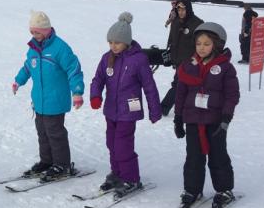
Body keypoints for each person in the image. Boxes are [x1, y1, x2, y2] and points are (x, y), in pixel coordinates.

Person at [90, 12, 162, 196]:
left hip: (128, 112)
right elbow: (98, 79)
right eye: (110, 42)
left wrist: (155, 110)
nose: (113, 46)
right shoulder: (107, 58)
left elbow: (149, 86)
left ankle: (131, 178)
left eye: (117, 42)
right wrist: (95, 95)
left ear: (126, 42)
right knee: (111, 143)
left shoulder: (138, 60)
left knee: (123, 146)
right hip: (111, 111)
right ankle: (117, 173)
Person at [173, 22, 240, 208]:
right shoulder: (188, 66)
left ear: (216, 45)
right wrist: (178, 118)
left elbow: (231, 95)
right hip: (193, 119)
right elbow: (181, 93)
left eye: (206, 44)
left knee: (218, 156)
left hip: (215, 121)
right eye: (198, 43)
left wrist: (226, 118)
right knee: (193, 157)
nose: (201, 47)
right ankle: (192, 190)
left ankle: (224, 190)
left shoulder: (225, 68)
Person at [12, 11, 85, 181]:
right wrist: (18, 81)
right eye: (32, 32)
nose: (34, 35)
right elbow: (27, 68)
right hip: (40, 101)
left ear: (46, 30)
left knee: (55, 133)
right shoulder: (33, 49)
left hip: (56, 100)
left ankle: (62, 165)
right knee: (42, 132)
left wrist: (77, 92)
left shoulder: (60, 48)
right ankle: (47, 161)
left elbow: (74, 70)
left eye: (37, 32)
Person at [160, 0, 203, 116]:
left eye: (183, 9)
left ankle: (163, 107)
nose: (181, 11)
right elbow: (172, 39)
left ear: (188, 9)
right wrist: (169, 52)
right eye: (179, 9)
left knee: (178, 84)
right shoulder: (176, 22)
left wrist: (197, 58)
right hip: (178, 59)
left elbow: (202, 42)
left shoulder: (197, 23)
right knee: (185, 84)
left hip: (191, 60)